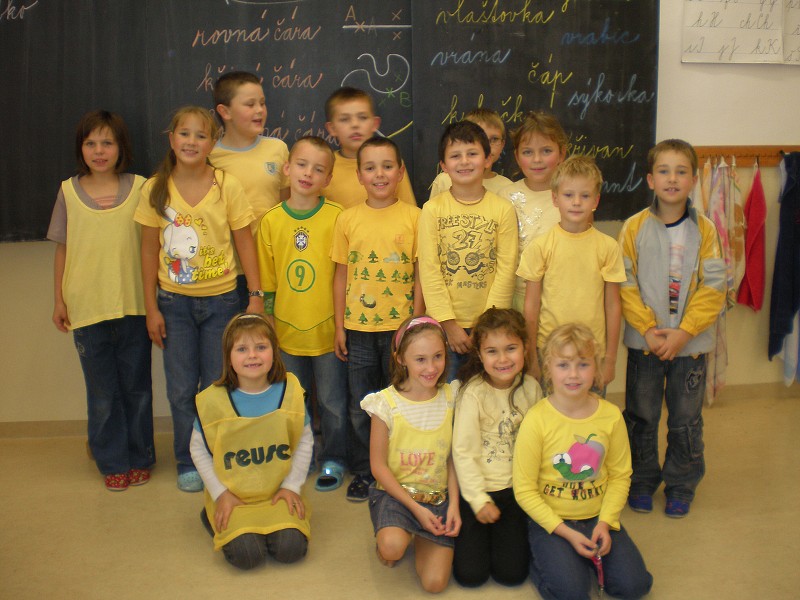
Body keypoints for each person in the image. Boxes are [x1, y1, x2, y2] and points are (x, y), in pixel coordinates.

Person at [135, 106, 263, 492]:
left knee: (217, 386)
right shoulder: (155, 189)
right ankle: (187, 460)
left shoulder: (227, 185)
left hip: (223, 301)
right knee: (180, 389)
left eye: (201, 135)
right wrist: (151, 308)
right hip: (173, 304)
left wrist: (255, 296)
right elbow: (147, 251)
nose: (192, 142)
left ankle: (217, 457)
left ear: (212, 143)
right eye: (184, 134)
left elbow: (245, 242)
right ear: (171, 138)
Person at [618, 139, 726, 518]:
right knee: (642, 415)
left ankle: (681, 483)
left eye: (681, 172)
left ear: (693, 179)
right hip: (645, 343)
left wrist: (685, 332)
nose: (672, 179)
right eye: (664, 171)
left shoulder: (706, 230)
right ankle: (642, 480)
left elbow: (714, 286)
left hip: (689, 346)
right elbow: (625, 282)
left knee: (685, 420)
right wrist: (648, 329)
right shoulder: (634, 227)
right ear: (650, 179)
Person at [48, 110, 154, 491]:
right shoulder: (68, 191)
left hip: (133, 304)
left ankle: (140, 456)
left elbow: (152, 246)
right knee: (102, 391)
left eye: (107, 142)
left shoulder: (141, 187)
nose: (99, 150)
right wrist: (59, 299)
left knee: (137, 388)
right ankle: (111, 460)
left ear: (120, 147)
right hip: (87, 308)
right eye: (90, 143)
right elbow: (63, 249)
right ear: (81, 149)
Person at [513, 323, 653, 600]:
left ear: (596, 368)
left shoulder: (611, 416)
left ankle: (575, 558)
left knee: (636, 586)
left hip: (597, 518)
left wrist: (606, 523)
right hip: (552, 521)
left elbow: (620, 475)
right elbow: (524, 490)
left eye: (583, 364)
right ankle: (540, 559)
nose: (574, 374)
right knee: (573, 593)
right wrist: (566, 533)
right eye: (563, 365)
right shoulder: (536, 419)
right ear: (549, 368)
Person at [331, 136, 423, 501]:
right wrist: (339, 326)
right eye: (370, 168)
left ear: (400, 172)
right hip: (359, 331)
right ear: (358, 175)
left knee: (400, 400)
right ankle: (365, 471)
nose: (379, 174)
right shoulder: (347, 219)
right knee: (362, 405)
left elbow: (421, 274)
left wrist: (416, 323)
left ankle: (397, 469)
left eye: (387, 166)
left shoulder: (415, 218)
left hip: (401, 331)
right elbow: (340, 275)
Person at [256, 136, 349, 493]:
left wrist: (342, 325)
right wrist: (269, 325)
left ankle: (334, 457)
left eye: (318, 169)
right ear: (287, 168)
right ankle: (301, 456)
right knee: (294, 401)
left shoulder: (338, 217)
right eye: (301, 164)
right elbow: (268, 283)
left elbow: (345, 275)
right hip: (286, 332)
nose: (308, 173)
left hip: (328, 332)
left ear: (328, 179)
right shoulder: (271, 221)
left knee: (333, 402)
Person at [190, 313, 312, 570]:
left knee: (291, 550)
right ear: (228, 357)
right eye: (242, 349)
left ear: (274, 352)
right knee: (248, 556)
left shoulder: (290, 390)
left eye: (261, 347)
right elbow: (197, 449)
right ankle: (211, 514)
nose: (252, 355)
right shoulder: (212, 400)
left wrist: (291, 486)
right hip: (235, 496)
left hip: (276, 493)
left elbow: (304, 442)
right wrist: (220, 494)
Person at [360, 316, 461, 593]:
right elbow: (378, 467)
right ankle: (396, 531)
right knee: (392, 547)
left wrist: (454, 505)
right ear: (400, 358)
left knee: (435, 584)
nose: (431, 367)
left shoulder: (451, 397)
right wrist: (416, 510)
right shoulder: (384, 404)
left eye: (438, 356)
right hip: (396, 497)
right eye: (420, 359)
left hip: (438, 498)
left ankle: (419, 535)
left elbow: (452, 458)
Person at [417, 120, 518, 381]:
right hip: (444, 327)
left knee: (488, 392)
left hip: (490, 327)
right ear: (443, 166)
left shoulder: (503, 210)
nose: (464, 161)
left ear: (487, 159)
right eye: (455, 156)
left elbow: (506, 269)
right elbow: (429, 268)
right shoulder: (432, 210)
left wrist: (486, 325)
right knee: (448, 393)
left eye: (472, 153)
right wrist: (448, 323)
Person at [451, 308, 542, 587]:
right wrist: (479, 500)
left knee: (512, 575)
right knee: (470, 576)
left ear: (525, 348)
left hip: (516, 493)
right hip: (477, 492)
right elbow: (463, 453)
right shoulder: (472, 394)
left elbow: (541, 443)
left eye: (511, 348)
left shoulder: (532, 389)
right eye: (492, 351)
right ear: (480, 355)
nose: (503, 359)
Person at [517, 155, 624, 387]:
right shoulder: (540, 247)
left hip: (592, 351)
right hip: (550, 351)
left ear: (596, 200)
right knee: (553, 409)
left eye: (585, 196)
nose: (576, 202)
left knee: (590, 408)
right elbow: (531, 306)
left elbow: (613, 306)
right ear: (555, 198)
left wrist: (610, 359)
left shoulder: (608, 247)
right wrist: (532, 357)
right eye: (568, 195)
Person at [210, 71, 290, 309]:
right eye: (250, 104)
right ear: (225, 112)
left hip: (272, 264)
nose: (259, 110)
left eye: (262, 103)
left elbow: (285, 206)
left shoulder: (278, 149)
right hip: (229, 270)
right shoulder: (210, 156)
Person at [498, 111, 568, 312]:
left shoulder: (573, 198)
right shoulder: (505, 197)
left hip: (559, 299)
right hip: (516, 300)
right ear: (517, 157)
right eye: (528, 152)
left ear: (561, 154)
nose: (537, 159)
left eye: (546, 151)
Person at [322, 86, 416, 209]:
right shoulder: (323, 167)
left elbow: (409, 211)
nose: (355, 124)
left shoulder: (391, 163)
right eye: (345, 119)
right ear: (332, 128)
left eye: (362, 117)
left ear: (374, 124)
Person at [428, 108, 512, 199]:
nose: (487, 146)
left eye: (494, 139)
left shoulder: (508, 188)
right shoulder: (443, 181)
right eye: (479, 139)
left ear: (502, 144)